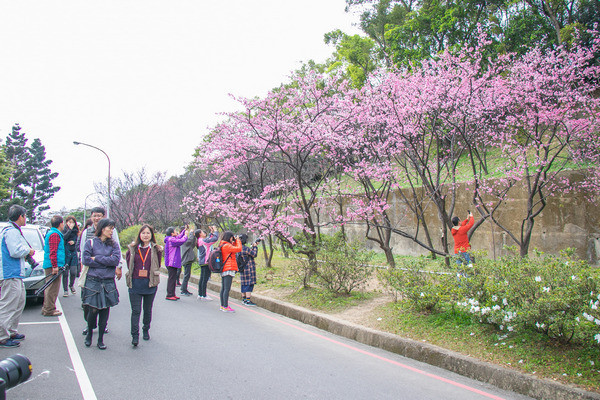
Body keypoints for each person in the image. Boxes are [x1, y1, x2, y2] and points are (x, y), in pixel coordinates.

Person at [79, 208, 121, 336]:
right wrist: (105, 261)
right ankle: (89, 325)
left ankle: (103, 327)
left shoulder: (111, 233)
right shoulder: (87, 233)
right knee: (88, 304)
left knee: (105, 304)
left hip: (106, 275)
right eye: (94, 216)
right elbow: (84, 256)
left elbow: (115, 257)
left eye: (99, 216)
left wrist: (98, 259)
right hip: (90, 274)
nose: (96, 218)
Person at [0, 205, 34, 348]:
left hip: (15, 273)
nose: (25, 218)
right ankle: (2, 336)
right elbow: (15, 251)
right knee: (8, 304)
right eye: (25, 216)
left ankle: (11, 331)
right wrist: (29, 251)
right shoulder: (11, 231)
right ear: (20, 216)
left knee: (19, 302)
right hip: (9, 273)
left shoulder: (11, 230)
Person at [125, 225, 162, 346]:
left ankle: (146, 329)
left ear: (151, 235)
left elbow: (158, 264)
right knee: (135, 311)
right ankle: (135, 335)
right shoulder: (132, 249)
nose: (145, 235)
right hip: (135, 283)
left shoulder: (156, 249)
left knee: (147, 309)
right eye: (143, 233)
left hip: (150, 283)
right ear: (139, 235)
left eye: (148, 233)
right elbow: (128, 264)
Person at [41, 215, 66, 317]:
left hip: (51, 264)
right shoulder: (55, 234)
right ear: (60, 224)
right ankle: (49, 309)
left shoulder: (52, 233)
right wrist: (55, 266)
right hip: (53, 265)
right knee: (52, 288)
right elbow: (53, 251)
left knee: (50, 287)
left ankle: (46, 307)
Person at [218, 231, 242, 313]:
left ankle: (223, 305)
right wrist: (238, 240)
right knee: (226, 289)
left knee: (223, 288)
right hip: (228, 268)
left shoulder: (222, 244)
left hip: (224, 268)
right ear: (229, 237)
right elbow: (239, 249)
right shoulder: (227, 246)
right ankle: (225, 306)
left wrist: (235, 241)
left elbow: (234, 248)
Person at [164, 226, 187, 300]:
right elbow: (181, 241)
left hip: (172, 262)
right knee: (171, 279)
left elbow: (179, 236)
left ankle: (172, 293)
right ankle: (169, 294)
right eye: (175, 231)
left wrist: (184, 230)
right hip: (171, 262)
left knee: (173, 278)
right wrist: (186, 235)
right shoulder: (171, 239)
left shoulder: (171, 238)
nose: (176, 232)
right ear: (172, 233)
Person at [197, 226, 218, 301]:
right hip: (206, 261)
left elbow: (209, 239)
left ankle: (200, 294)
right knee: (205, 279)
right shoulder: (203, 241)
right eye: (202, 232)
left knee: (202, 278)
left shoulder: (200, 240)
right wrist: (215, 231)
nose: (204, 233)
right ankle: (204, 295)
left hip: (202, 261)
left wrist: (211, 233)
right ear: (200, 234)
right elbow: (214, 239)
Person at [238, 234, 259, 306]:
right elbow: (254, 254)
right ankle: (248, 300)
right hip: (249, 268)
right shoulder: (246, 249)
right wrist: (255, 247)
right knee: (249, 284)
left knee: (243, 283)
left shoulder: (238, 248)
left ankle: (244, 299)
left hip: (242, 268)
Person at [62, 215, 79, 297]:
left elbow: (77, 240)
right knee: (65, 273)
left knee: (73, 272)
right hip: (66, 252)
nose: (71, 224)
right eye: (69, 222)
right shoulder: (64, 230)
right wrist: (70, 229)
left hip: (73, 252)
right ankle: (65, 290)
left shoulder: (76, 230)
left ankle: (71, 285)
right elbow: (64, 237)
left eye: (72, 222)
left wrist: (74, 242)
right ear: (66, 223)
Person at [179, 225, 198, 296]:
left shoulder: (182, 239)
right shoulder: (183, 240)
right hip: (186, 259)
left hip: (187, 259)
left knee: (187, 275)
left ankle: (184, 288)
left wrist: (193, 236)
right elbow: (189, 241)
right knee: (186, 275)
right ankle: (183, 289)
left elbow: (192, 244)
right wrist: (190, 233)